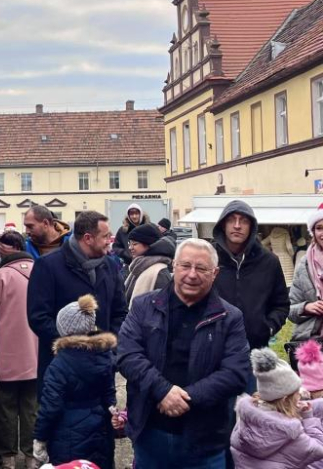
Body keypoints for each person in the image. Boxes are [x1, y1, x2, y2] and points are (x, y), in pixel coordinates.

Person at [117, 238, 250, 469]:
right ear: (174, 266)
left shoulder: (230, 317)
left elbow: (235, 373)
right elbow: (127, 355)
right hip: (150, 431)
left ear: (215, 273)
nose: (192, 274)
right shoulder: (143, 306)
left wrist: (186, 397)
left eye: (201, 268)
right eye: (185, 265)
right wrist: (162, 390)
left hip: (205, 439)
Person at [27, 211, 127, 396]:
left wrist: (109, 350)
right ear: (88, 238)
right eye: (105, 236)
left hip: (101, 373)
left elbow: (120, 313)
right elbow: (38, 317)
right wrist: (76, 347)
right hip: (61, 374)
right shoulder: (48, 265)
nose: (109, 241)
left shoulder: (110, 266)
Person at [33, 295, 117, 469]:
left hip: (67, 439)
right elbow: (109, 395)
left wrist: (40, 438)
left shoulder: (59, 365)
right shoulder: (105, 356)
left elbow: (50, 407)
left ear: (64, 330)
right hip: (101, 434)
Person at [0, 230, 37, 469]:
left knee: (5, 408)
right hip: (36, 352)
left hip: (4, 353)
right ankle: (33, 457)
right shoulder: (42, 272)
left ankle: (8, 457)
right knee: (33, 407)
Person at [212, 200, 289, 355]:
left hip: (255, 350)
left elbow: (281, 305)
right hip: (213, 348)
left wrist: (268, 328)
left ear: (252, 227)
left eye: (244, 221)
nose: (237, 225)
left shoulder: (269, 262)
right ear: (223, 224)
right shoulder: (208, 258)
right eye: (231, 220)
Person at [230, 348, 323, 468]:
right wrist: (308, 417)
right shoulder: (292, 434)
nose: (300, 395)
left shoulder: (246, 419)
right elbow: (318, 448)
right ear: (285, 399)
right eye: (297, 393)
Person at [288, 204, 323, 345]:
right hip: (312, 341)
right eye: (319, 228)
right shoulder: (304, 265)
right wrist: (306, 308)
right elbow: (289, 310)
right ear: (313, 232)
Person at [124, 223, 174, 308]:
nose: (130, 247)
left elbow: (164, 308)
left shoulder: (159, 273)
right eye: (130, 244)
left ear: (148, 245)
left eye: (135, 244)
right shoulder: (138, 267)